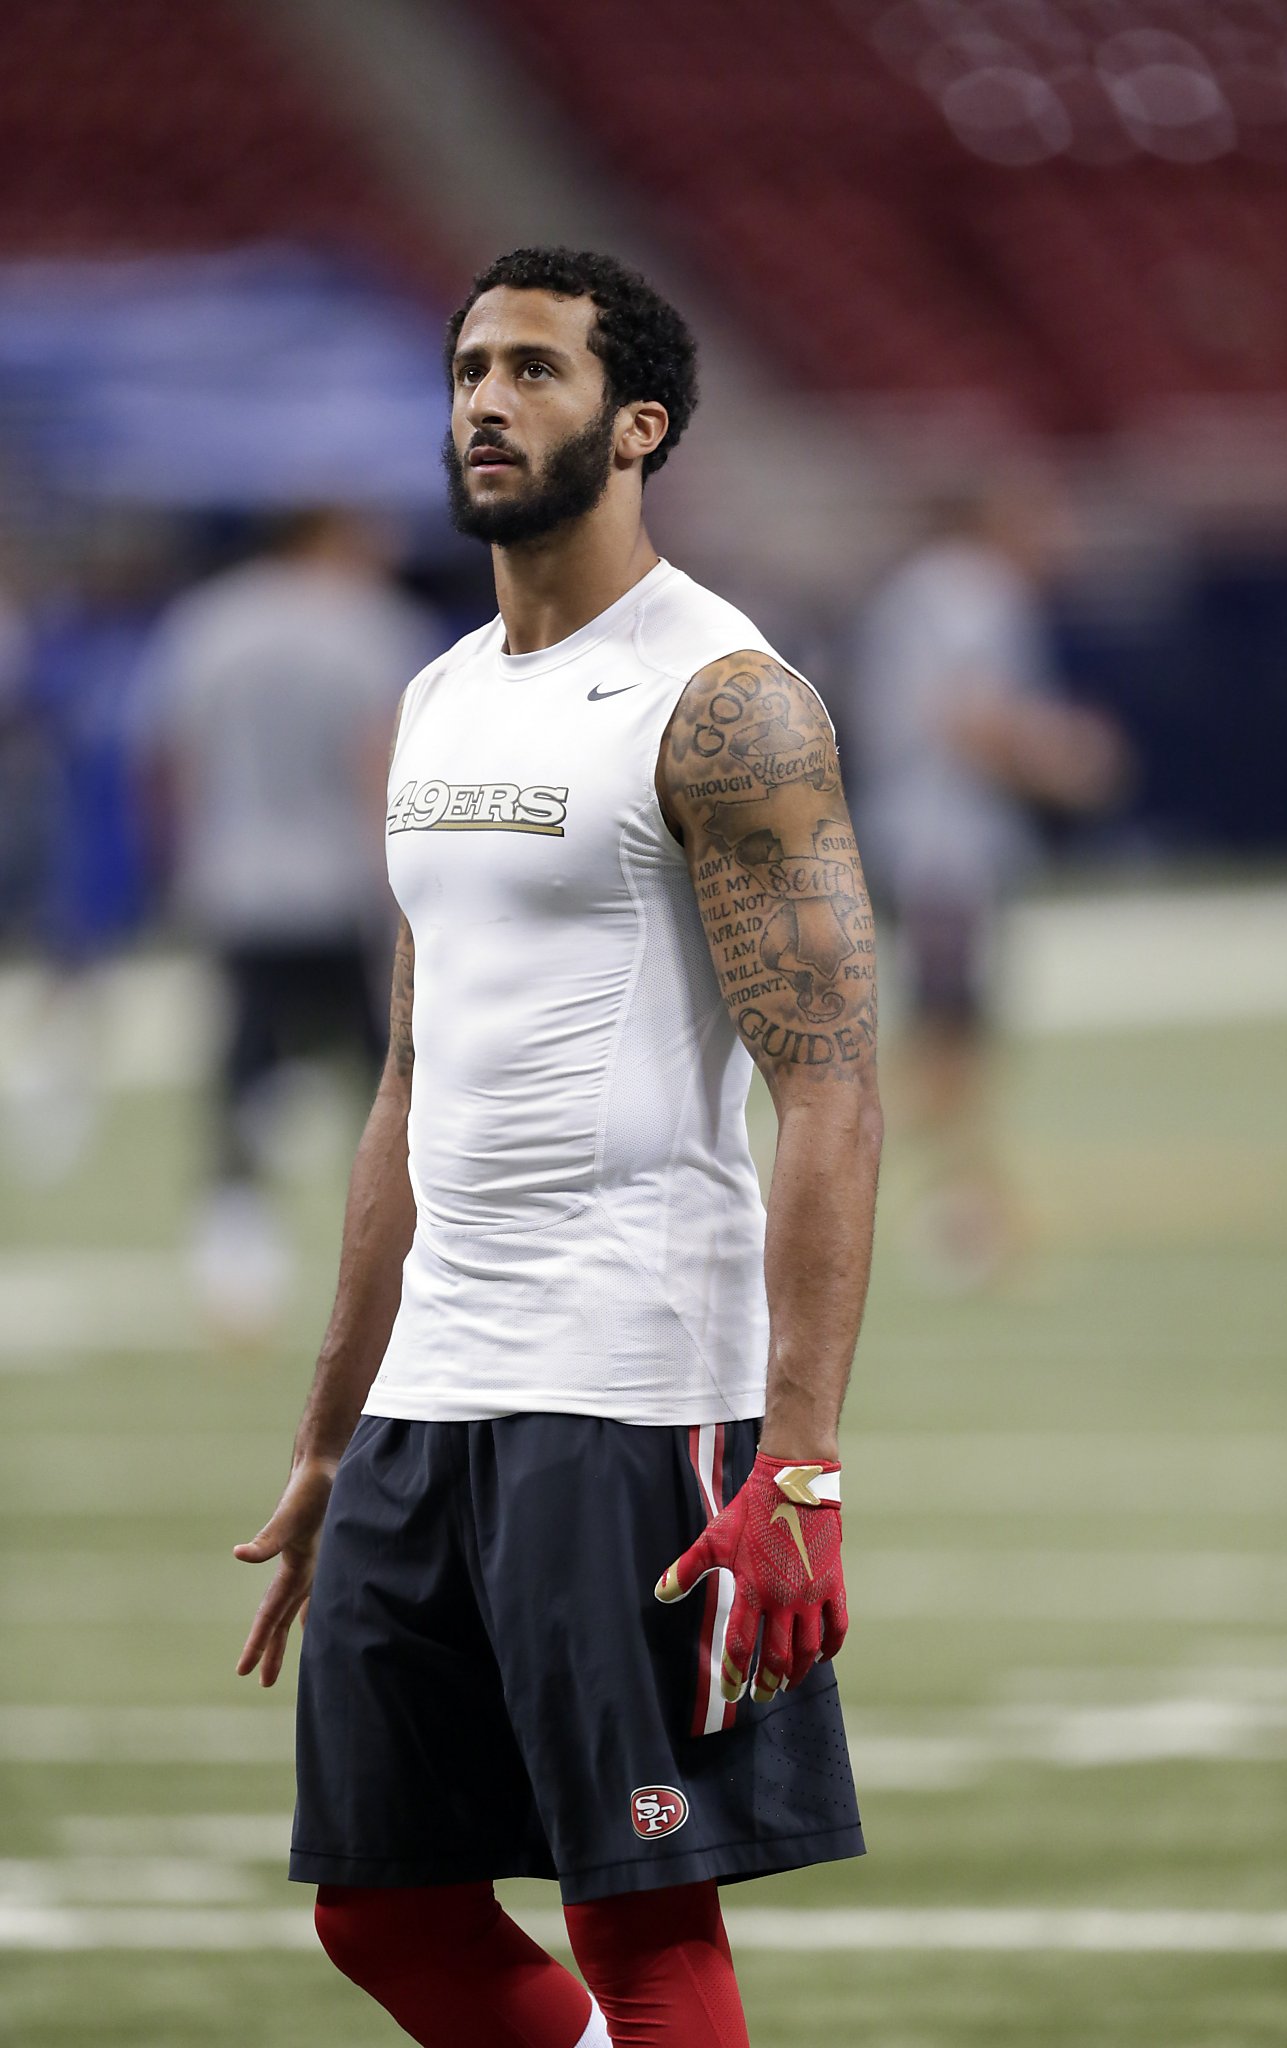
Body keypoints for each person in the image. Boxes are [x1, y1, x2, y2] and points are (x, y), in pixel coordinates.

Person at [234, 247, 882, 2048]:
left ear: (638, 422)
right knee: (383, 1907)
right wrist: (327, 1430)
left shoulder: (725, 697)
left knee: (644, 1926)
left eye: (531, 369)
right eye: (465, 370)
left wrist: (804, 1465)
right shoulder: (439, 697)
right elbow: (407, 1083)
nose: (484, 403)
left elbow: (832, 1084)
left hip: (623, 1388)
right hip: (431, 1393)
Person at [137, 508, 441, 1336]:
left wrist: (182, 865)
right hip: (341, 885)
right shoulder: (371, 626)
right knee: (387, 1085)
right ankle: (416, 1260)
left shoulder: (205, 622)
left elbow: (172, 761)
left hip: (236, 883)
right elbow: (375, 761)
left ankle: (235, 1266)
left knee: (243, 1071)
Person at [856, 481, 1126, 1284]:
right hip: (946, 849)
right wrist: (1058, 756)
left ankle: (972, 1201)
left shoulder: (928, 588)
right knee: (947, 1045)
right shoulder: (970, 591)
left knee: (955, 1043)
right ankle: (827, 1184)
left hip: (932, 844)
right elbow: (964, 712)